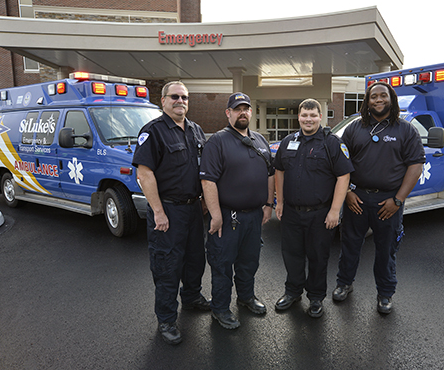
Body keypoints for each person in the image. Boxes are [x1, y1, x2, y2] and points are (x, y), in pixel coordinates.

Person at [333, 82, 425, 314]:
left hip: (389, 202)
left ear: (391, 99)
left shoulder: (406, 130)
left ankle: (385, 294)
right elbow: (342, 164)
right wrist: (348, 193)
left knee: (386, 251)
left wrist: (398, 200)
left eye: (383, 95)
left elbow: (415, 167)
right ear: (367, 101)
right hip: (357, 199)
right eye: (373, 96)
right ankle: (344, 284)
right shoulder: (355, 129)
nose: (378, 99)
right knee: (350, 246)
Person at [132, 81, 210, 345]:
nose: (181, 101)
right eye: (175, 97)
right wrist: (158, 211)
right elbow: (144, 174)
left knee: (195, 258)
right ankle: (166, 319)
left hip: (193, 209)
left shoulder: (196, 130)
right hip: (167, 210)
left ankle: (191, 297)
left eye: (184, 97)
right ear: (163, 101)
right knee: (167, 266)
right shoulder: (153, 132)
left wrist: (204, 201)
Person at [200, 92, 275, 329]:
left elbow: (270, 174)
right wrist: (215, 215)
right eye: (237, 109)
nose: (243, 112)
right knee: (222, 264)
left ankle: (246, 298)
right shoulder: (218, 142)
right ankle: (220, 308)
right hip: (227, 216)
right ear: (228, 113)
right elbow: (208, 181)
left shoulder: (260, 140)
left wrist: (268, 204)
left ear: (251, 112)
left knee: (249, 262)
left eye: (246, 108)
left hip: (254, 215)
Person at [273, 99, 353, 318]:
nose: (308, 119)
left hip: (320, 214)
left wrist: (335, 210)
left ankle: (316, 297)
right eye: (304, 115)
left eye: (313, 115)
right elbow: (278, 170)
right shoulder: (288, 141)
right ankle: (293, 292)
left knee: (318, 257)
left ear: (321, 117)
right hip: (291, 212)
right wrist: (279, 202)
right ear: (298, 117)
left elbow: (343, 176)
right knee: (292, 255)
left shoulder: (332, 143)